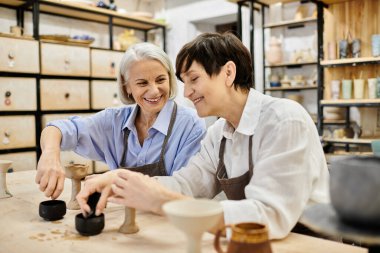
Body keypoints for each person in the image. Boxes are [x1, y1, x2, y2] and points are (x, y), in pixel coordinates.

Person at [76, 32, 329, 239]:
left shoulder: (285, 120)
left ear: (228, 73)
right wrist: (120, 180)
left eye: (193, 79)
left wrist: (163, 200)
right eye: (184, 82)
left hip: (307, 243)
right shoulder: (218, 133)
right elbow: (187, 186)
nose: (186, 93)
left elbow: (268, 216)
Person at [35, 42, 206, 200]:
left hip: (167, 221)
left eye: (161, 80)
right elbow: (59, 128)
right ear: (127, 87)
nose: (154, 91)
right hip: (124, 218)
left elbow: (183, 188)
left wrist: (118, 182)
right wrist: (50, 154)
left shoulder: (190, 125)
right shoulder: (113, 121)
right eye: (142, 83)